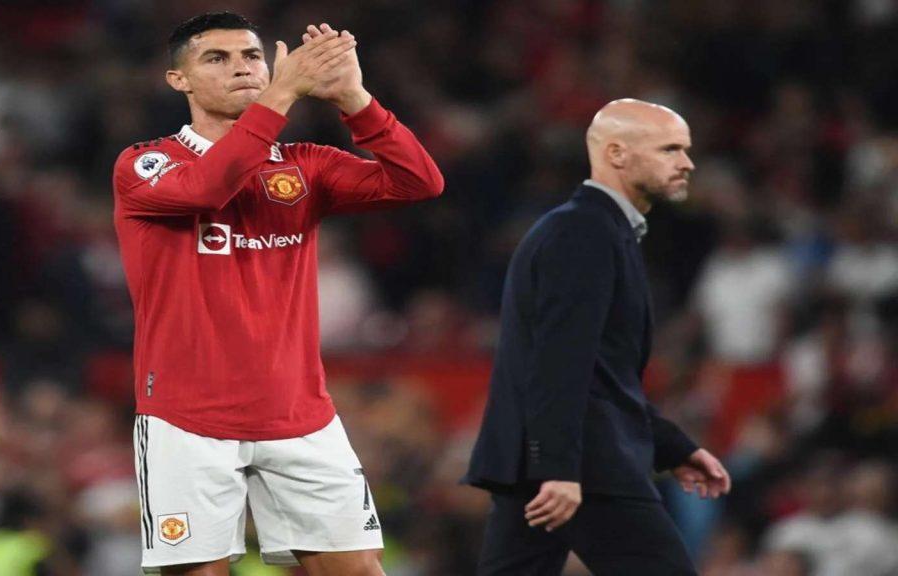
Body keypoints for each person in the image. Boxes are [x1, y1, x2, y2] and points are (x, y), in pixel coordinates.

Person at [111, 12, 444, 576]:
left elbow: (419, 181)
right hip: (188, 420)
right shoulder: (146, 164)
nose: (241, 68)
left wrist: (355, 98)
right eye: (216, 58)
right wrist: (285, 93)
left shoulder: (304, 166)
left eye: (251, 57)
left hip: (299, 415)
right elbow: (210, 186)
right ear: (179, 80)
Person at [463, 99, 730, 575]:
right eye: (670, 149)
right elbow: (559, 363)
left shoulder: (596, 230)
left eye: (685, 150)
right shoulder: (584, 233)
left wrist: (674, 447)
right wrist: (559, 469)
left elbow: (603, 372)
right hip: (585, 466)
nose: (687, 162)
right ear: (617, 153)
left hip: (548, 458)